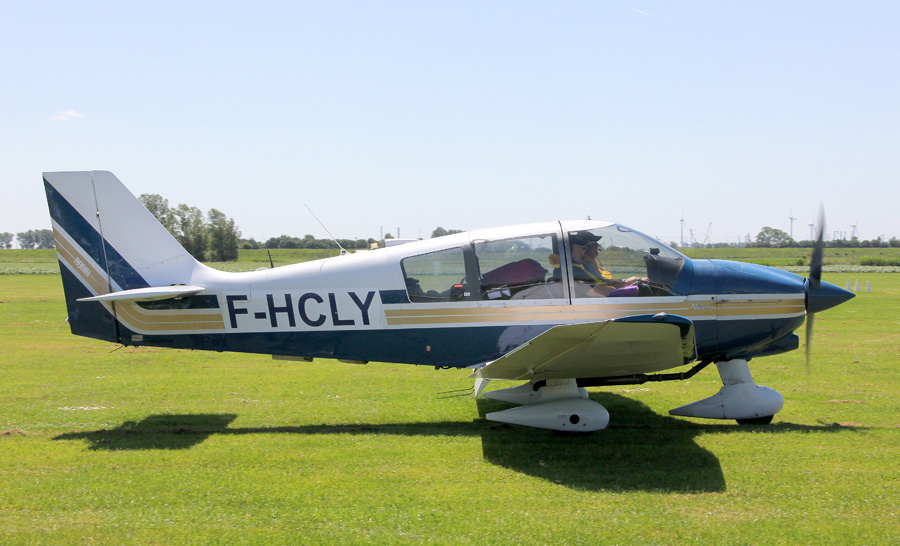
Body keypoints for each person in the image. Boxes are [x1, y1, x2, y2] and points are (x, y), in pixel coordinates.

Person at [550, 231, 646, 297]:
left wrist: (625, 283)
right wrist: (625, 285)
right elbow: (598, 291)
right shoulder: (571, 271)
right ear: (567, 251)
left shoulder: (571, 268)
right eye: (580, 248)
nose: (583, 252)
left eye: (584, 248)